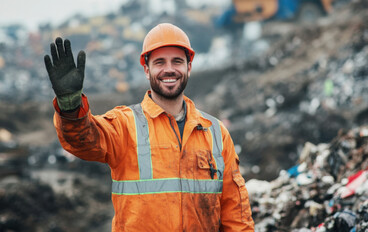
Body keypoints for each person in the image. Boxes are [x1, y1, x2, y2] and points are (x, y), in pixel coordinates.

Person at [44, 23, 255, 231]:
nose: (169, 69)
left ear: (189, 67)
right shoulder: (124, 125)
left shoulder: (216, 133)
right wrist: (70, 107)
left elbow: (236, 214)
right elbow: (83, 141)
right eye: (160, 62)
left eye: (177, 61)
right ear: (147, 69)